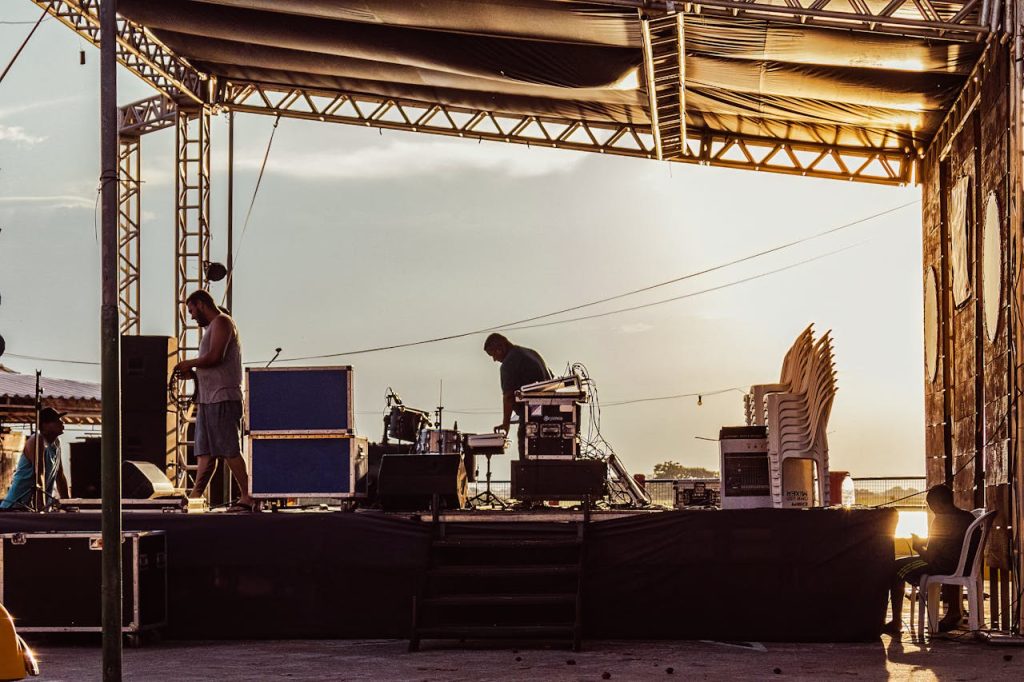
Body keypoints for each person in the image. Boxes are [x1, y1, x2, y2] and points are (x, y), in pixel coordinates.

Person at [174, 290, 255, 512]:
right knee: (205, 451)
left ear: (201, 304)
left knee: (229, 448)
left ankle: (248, 496)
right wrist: (192, 373)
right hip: (208, 399)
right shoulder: (212, 328)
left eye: (192, 310)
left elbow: (215, 357)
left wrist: (189, 363)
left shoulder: (222, 321)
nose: (191, 316)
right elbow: (210, 365)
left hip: (222, 397)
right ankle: (195, 498)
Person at [883, 484, 976, 635]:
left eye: (931, 505)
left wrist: (918, 547)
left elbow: (930, 557)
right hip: (964, 565)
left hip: (944, 566)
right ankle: (954, 611)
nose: (931, 509)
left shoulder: (941, 520)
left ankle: (896, 621)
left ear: (938, 504)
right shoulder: (968, 517)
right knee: (909, 563)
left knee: (896, 567)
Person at [483, 333, 552, 458]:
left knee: (526, 457)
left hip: (530, 416)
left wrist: (505, 425)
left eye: (493, 354)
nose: (494, 359)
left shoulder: (508, 364)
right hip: (550, 415)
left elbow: (508, 397)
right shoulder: (532, 353)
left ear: (501, 346)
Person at [0, 407, 69, 511]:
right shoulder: (37, 440)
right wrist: (41, 507)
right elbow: (39, 474)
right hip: (17, 505)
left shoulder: (56, 443)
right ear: (45, 425)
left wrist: (67, 503)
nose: (62, 422)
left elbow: (60, 476)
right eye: (57, 420)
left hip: (36, 506)